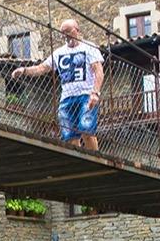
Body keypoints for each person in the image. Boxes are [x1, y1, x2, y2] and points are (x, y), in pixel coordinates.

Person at [11, 18, 104, 151]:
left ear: (77, 30)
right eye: (62, 32)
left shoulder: (89, 47)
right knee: (69, 136)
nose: (65, 35)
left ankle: (94, 157)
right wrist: (24, 70)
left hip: (86, 95)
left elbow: (98, 71)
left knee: (86, 130)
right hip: (66, 98)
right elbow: (42, 68)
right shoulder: (59, 53)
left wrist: (95, 93)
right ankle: (77, 159)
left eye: (68, 31)